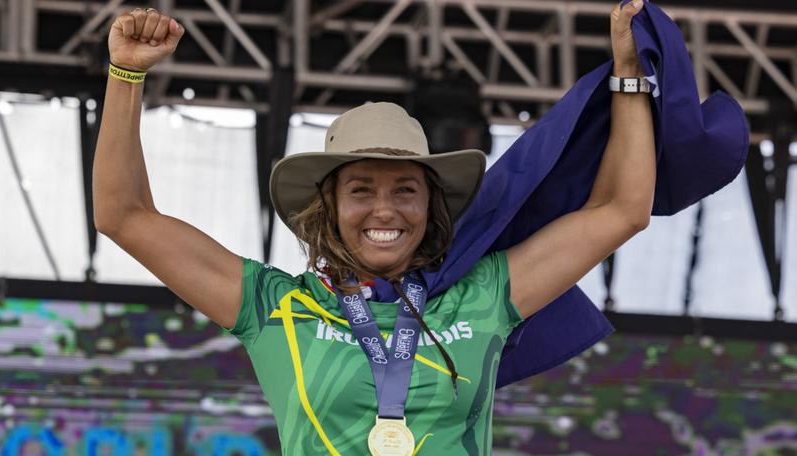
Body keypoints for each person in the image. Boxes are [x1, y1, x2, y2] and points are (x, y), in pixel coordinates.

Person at [93, 1, 654, 454]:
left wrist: (629, 76)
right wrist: (126, 75)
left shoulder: (483, 296)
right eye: (360, 189)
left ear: (430, 208)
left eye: (405, 190)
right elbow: (124, 216)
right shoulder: (275, 307)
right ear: (329, 207)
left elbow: (621, 211)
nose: (385, 210)